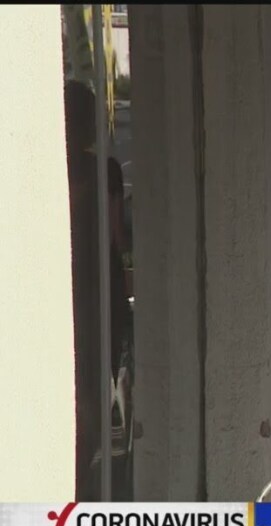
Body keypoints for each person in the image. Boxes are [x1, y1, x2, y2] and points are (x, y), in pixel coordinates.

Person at [66, 80, 131, 501]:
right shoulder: (105, 170)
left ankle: (69, 476)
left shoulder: (50, 168)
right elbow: (116, 237)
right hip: (99, 291)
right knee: (95, 387)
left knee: (72, 387)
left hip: (68, 290)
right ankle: (78, 476)